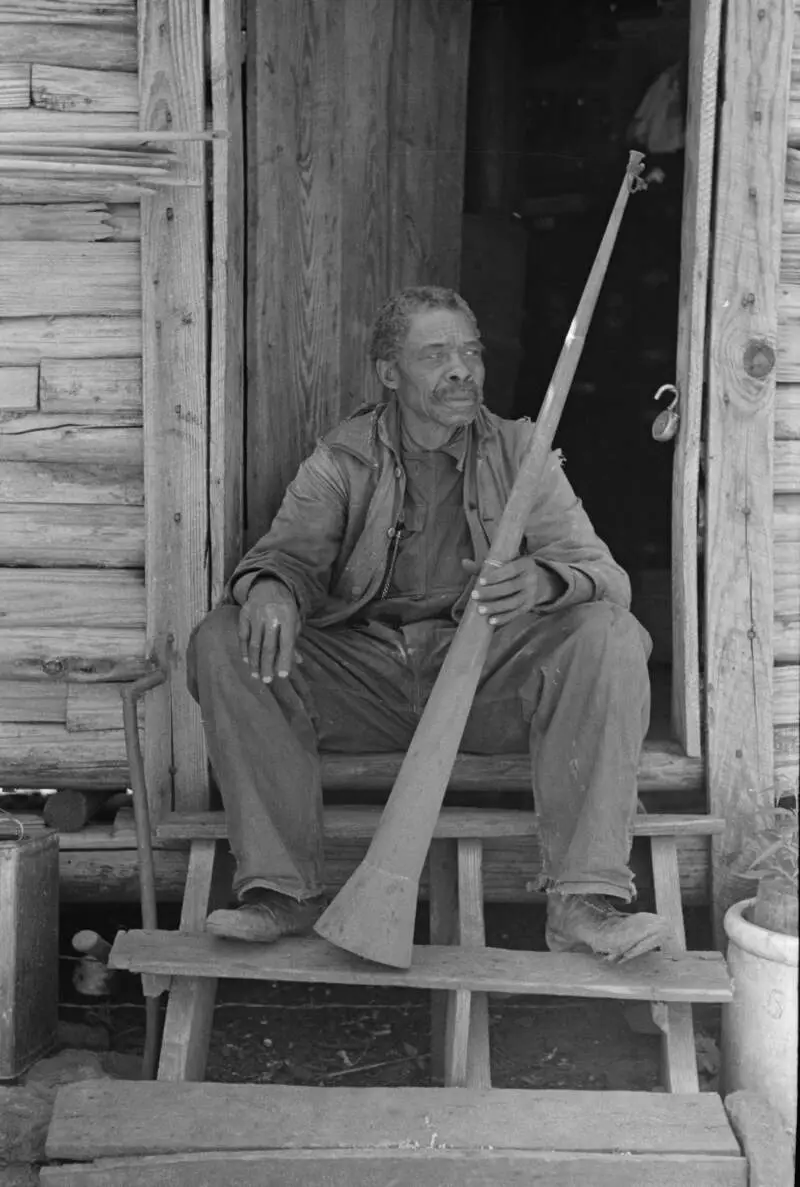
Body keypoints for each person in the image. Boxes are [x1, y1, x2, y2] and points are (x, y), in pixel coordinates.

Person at [188, 285, 671, 962]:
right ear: (390, 373)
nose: (462, 369)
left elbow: (605, 574)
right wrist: (269, 588)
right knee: (223, 638)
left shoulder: (520, 451)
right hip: (367, 681)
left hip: (483, 682)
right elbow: (287, 557)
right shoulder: (342, 458)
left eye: (471, 351)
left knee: (611, 633)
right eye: (436, 354)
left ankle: (585, 902)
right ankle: (282, 890)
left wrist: (544, 579)